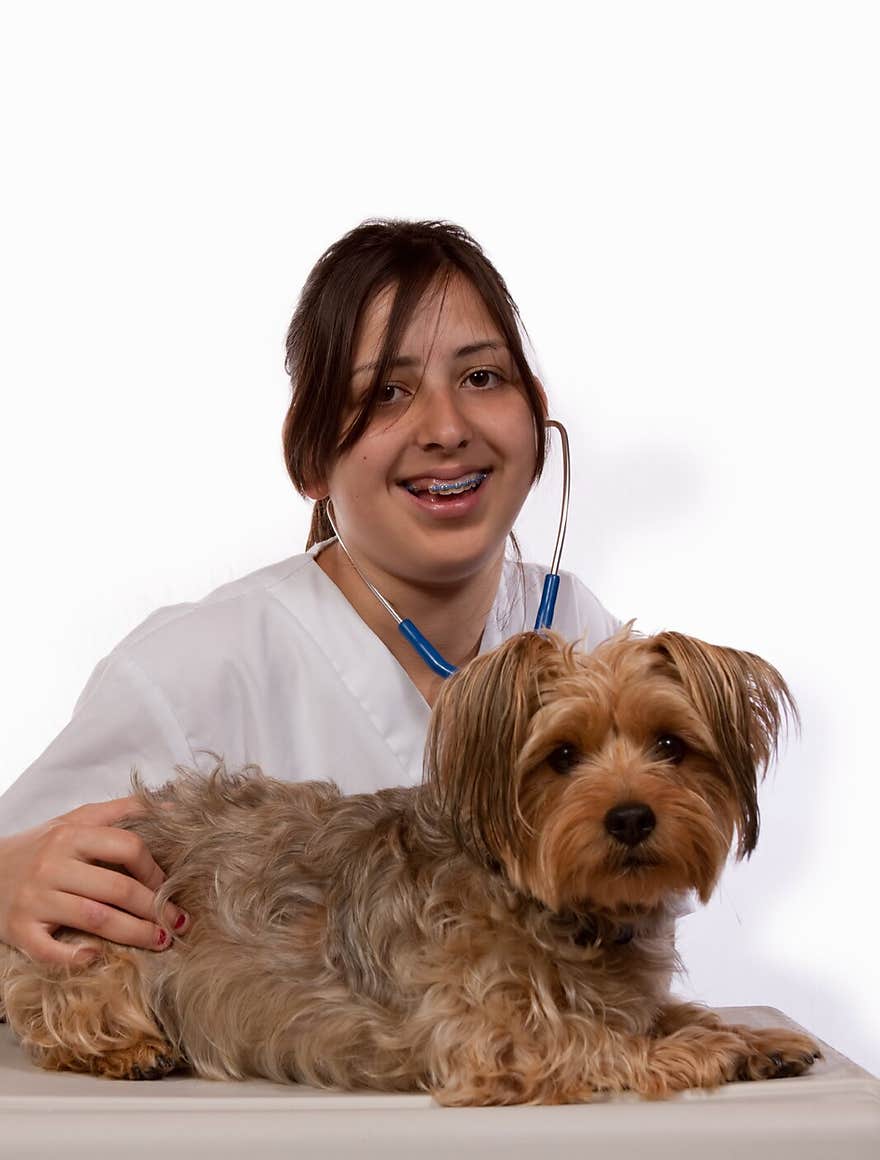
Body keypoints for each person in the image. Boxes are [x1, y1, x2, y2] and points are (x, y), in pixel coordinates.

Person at [0, 219, 620, 968]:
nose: (448, 427)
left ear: (535, 415)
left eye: (482, 378)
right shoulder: (198, 669)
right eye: (387, 392)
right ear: (310, 457)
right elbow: (41, 908)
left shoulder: (587, 635)